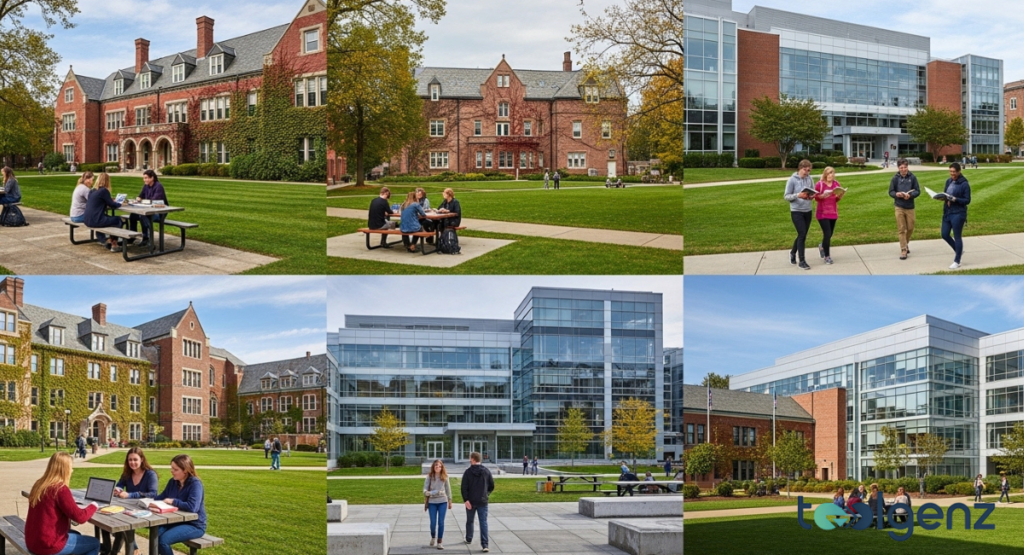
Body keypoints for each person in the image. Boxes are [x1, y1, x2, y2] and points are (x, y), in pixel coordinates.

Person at [25, 452, 101, 555]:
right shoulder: (60, 489)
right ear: (64, 469)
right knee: (95, 544)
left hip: (33, 541)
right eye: (71, 467)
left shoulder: (39, 484)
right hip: (48, 545)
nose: (72, 470)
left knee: (77, 534)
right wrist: (94, 506)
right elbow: (80, 518)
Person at [154, 454, 207, 555]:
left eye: (175, 469)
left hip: (194, 525)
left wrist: (174, 501)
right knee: (155, 535)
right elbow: (162, 497)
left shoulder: (195, 484)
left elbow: (193, 507)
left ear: (185, 470)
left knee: (163, 541)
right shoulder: (173, 482)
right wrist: (148, 502)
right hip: (176, 521)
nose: (172, 471)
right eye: (171, 468)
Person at [111, 447, 159, 555]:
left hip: (146, 510)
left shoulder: (150, 474)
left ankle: (130, 550)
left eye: (135, 459)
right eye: (130, 460)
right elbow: (120, 484)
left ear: (142, 459)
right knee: (114, 522)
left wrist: (130, 495)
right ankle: (133, 550)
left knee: (120, 526)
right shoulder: (127, 473)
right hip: (129, 508)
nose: (132, 462)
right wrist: (117, 489)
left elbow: (153, 494)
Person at [783, 159, 815, 270]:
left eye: (809, 171)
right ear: (800, 168)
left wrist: (811, 196)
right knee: (802, 234)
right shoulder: (792, 180)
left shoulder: (810, 179)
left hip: (808, 210)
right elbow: (786, 196)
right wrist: (798, 195)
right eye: (805, 170)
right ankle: (802, 261)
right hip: (796, 211)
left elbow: (812, 191)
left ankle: (792, 252)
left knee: (803, 235)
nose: (807, 173)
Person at [84, 173, 127, 251]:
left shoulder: (92, 191)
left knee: (109, 219)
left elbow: (99, 202)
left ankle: (105, 240)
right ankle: (114, 244)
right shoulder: (103, 190)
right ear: (107, 181)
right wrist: (120, 204)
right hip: (96, 220)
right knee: (118, 220)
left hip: (87, 219)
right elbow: (112, 205)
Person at [461, 451, 494, 552]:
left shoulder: (468, 472)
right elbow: (491, 486)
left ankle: (469, 538)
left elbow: (464, 487)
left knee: (470, 521)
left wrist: (466, 500)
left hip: (470, 501)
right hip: (482, 501)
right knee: (483, 522)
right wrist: (486, 494)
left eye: (470, 458)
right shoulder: (486, 471)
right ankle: (485, 544)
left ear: (473, 459)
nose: (469, 460)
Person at [888, 158, 920, 260]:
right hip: (899, 206)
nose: (903, 169)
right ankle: (903, 249)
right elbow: (891, 191)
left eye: (905, 167)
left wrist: (910, 195)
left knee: (910, 228)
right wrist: (896, 194)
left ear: (907, 167)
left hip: (910, 206)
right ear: (898, 168)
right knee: (901, 229)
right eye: (901, 167)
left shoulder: (913, 177)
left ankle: (905, 243)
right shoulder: (895, 178)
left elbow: (917, 191)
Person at [940, 163, 971, 269]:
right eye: (950, 171)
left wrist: (955, 199)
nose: (952, 174)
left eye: (954, 172)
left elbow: (967, 200)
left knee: (957, 236)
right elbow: (945, 194)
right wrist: (942, 197)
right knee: (944, 234)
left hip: (958, 213)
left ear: (959, 171)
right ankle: (959, 251)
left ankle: (957, 261)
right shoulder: (948, 181)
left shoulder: (964, 184)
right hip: (948, 212)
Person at [129, 169, 169, 247]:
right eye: (144, 178)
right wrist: (138, 198)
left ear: (152, 178)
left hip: (159, 212)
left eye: (146, 178)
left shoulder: (158, 186)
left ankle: (149, 240)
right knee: (133, 215)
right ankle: (132, 237)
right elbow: (140, 196)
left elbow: (154, 200)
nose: (145, 180)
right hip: (148, 210)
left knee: (143, 216)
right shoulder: (146, 186)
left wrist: (143, 200)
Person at [813, 166, 844, 265]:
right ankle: (827, 256)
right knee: (827, 234)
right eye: (829, 173)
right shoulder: (820, 184)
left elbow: (836, 200)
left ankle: (822, 246)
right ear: (825, 174)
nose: (831, 175)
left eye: (832, 173)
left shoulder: (836, 184)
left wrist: (840, 196)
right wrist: (821, 196)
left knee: (830, 234)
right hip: (822, 213)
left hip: (833, 212)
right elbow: (815, 197)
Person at [423, 459, 453, 550]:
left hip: (442, 501)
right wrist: (430, 493)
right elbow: (424, 490)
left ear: (442, 467)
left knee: (441, 522)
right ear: (433, 466)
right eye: (436, 465)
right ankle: (433, 536)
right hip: (432, 502)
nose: (438, 467)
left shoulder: (445, 476)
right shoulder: (429, 477)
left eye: (439, 466)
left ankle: (439, 542)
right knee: (433, 522)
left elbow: (448, 489)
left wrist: (450, 500)